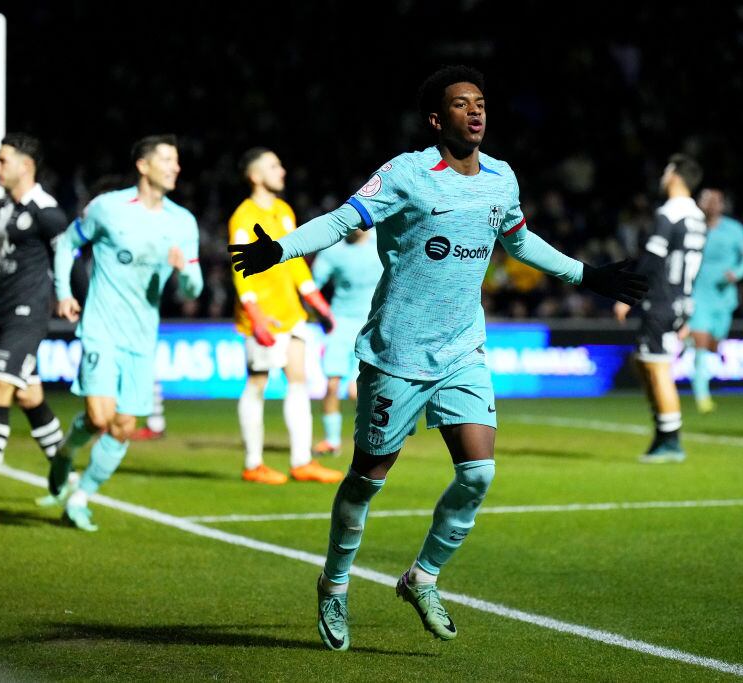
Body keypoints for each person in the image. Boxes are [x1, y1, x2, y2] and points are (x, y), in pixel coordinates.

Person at [229, 65, 645, 651]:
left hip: (462, 351)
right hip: (396, 355)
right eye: (460, 103)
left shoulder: (501, 178)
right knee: (366, 481)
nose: (475, 111)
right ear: (435, 119)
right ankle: (334, 584)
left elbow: (519, 242)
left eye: (480, 103)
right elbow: (343, 219)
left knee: (478, 473)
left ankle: (421, 577)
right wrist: (280, 249)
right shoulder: (406, 173)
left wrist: (589, 275)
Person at [47, 134, 203, 531]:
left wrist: (184, 272)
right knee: (99, 417)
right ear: (143, 165)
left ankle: (80, 497)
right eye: (167, 159)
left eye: (177, 160)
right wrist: (63, 292)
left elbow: (194, 289)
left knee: (124, 426)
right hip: (101, 327)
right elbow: (66, 244)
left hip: (142, 337)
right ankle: (65, 452)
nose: (176, 167)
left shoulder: (182, 222)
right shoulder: (108, 208)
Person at [0, 134, 67, 511]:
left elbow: (67, 259)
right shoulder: (0, 209)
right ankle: (67, 473)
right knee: (28, 396)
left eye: (3, 160)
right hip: (2, 317)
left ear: (26, 165)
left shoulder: (47, 212)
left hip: (29, 316)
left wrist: (73, 298)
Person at [229, 147, 342, 485]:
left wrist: (317, 302)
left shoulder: (283, 210)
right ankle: (253, 463)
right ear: (254, 175)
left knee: (298, 381)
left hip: (291, 314)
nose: (282, 170)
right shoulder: (243, 217)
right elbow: (239, 269)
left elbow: (294, 262)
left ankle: (301, 461)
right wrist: (255, 314)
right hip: (264, 317)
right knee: (257, 383)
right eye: (273, 165)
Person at [615, 154, 706, 463]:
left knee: (656, 367)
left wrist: (628, 295)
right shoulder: (697, 216)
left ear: (676, 176)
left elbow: (653, 259)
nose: (663, 176)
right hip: (680, 299)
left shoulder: (670, 213)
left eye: (667, 171)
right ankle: (664, 432)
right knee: (644, 362)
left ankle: (670, 440)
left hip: (663, 300)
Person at [311, 228, 383, 456]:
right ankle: (332, 441)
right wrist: (321, 315)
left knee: (356, 391)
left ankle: (374, 437)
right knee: (332, 384)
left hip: (371, 325)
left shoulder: (382, 241)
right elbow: (311, 287)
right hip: (339, 324)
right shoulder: (333, 251)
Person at [688, 189, 743, 413]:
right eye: (707, 200)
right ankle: (702, 395)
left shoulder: (735, 229)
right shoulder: (692, 227)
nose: (711, 204)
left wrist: (736, 273)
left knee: (713, 345)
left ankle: (685, 343)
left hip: (724, 298)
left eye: (716, 200)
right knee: (701, 342)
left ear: (722, 204)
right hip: (698, 295)